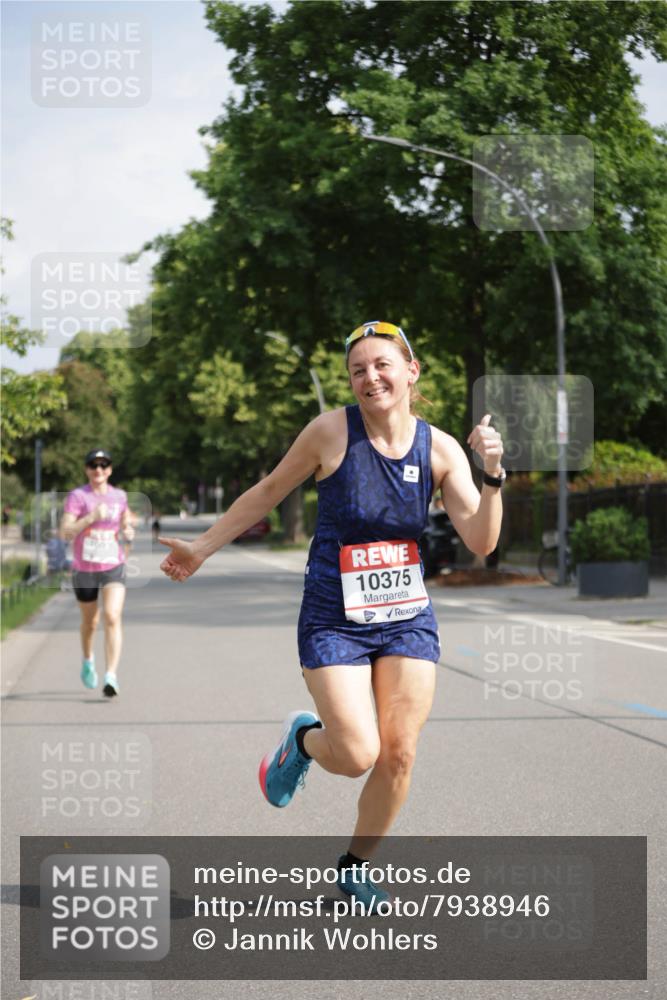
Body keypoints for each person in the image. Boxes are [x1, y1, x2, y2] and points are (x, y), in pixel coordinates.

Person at [159, 321, 504, 906]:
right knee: (356, 754)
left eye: (382, 365)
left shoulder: (441, 449)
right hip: (333, 618)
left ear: (411, 371)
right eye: (358, 370)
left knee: (399, 751)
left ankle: (355, 865)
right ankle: (303, 742)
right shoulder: (329, 433)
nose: (371, 377)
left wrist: (492, 476)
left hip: (405, 618)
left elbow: (482, 540)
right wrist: (201, 547)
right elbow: (268, 492)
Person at [60, 449, 134, 697]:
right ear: (87, 469)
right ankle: (87, 659)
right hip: (85, 569)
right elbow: (65, 532)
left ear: (110, 470)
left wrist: (128, 531)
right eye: (93, 465)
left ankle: (111, 675)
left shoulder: (120, 496)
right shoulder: (78, 496)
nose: (98, 469)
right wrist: (91, 517)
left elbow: (125, 523)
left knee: (112, 616)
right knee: (90, 622)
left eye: (103, 465)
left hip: (113, 566)